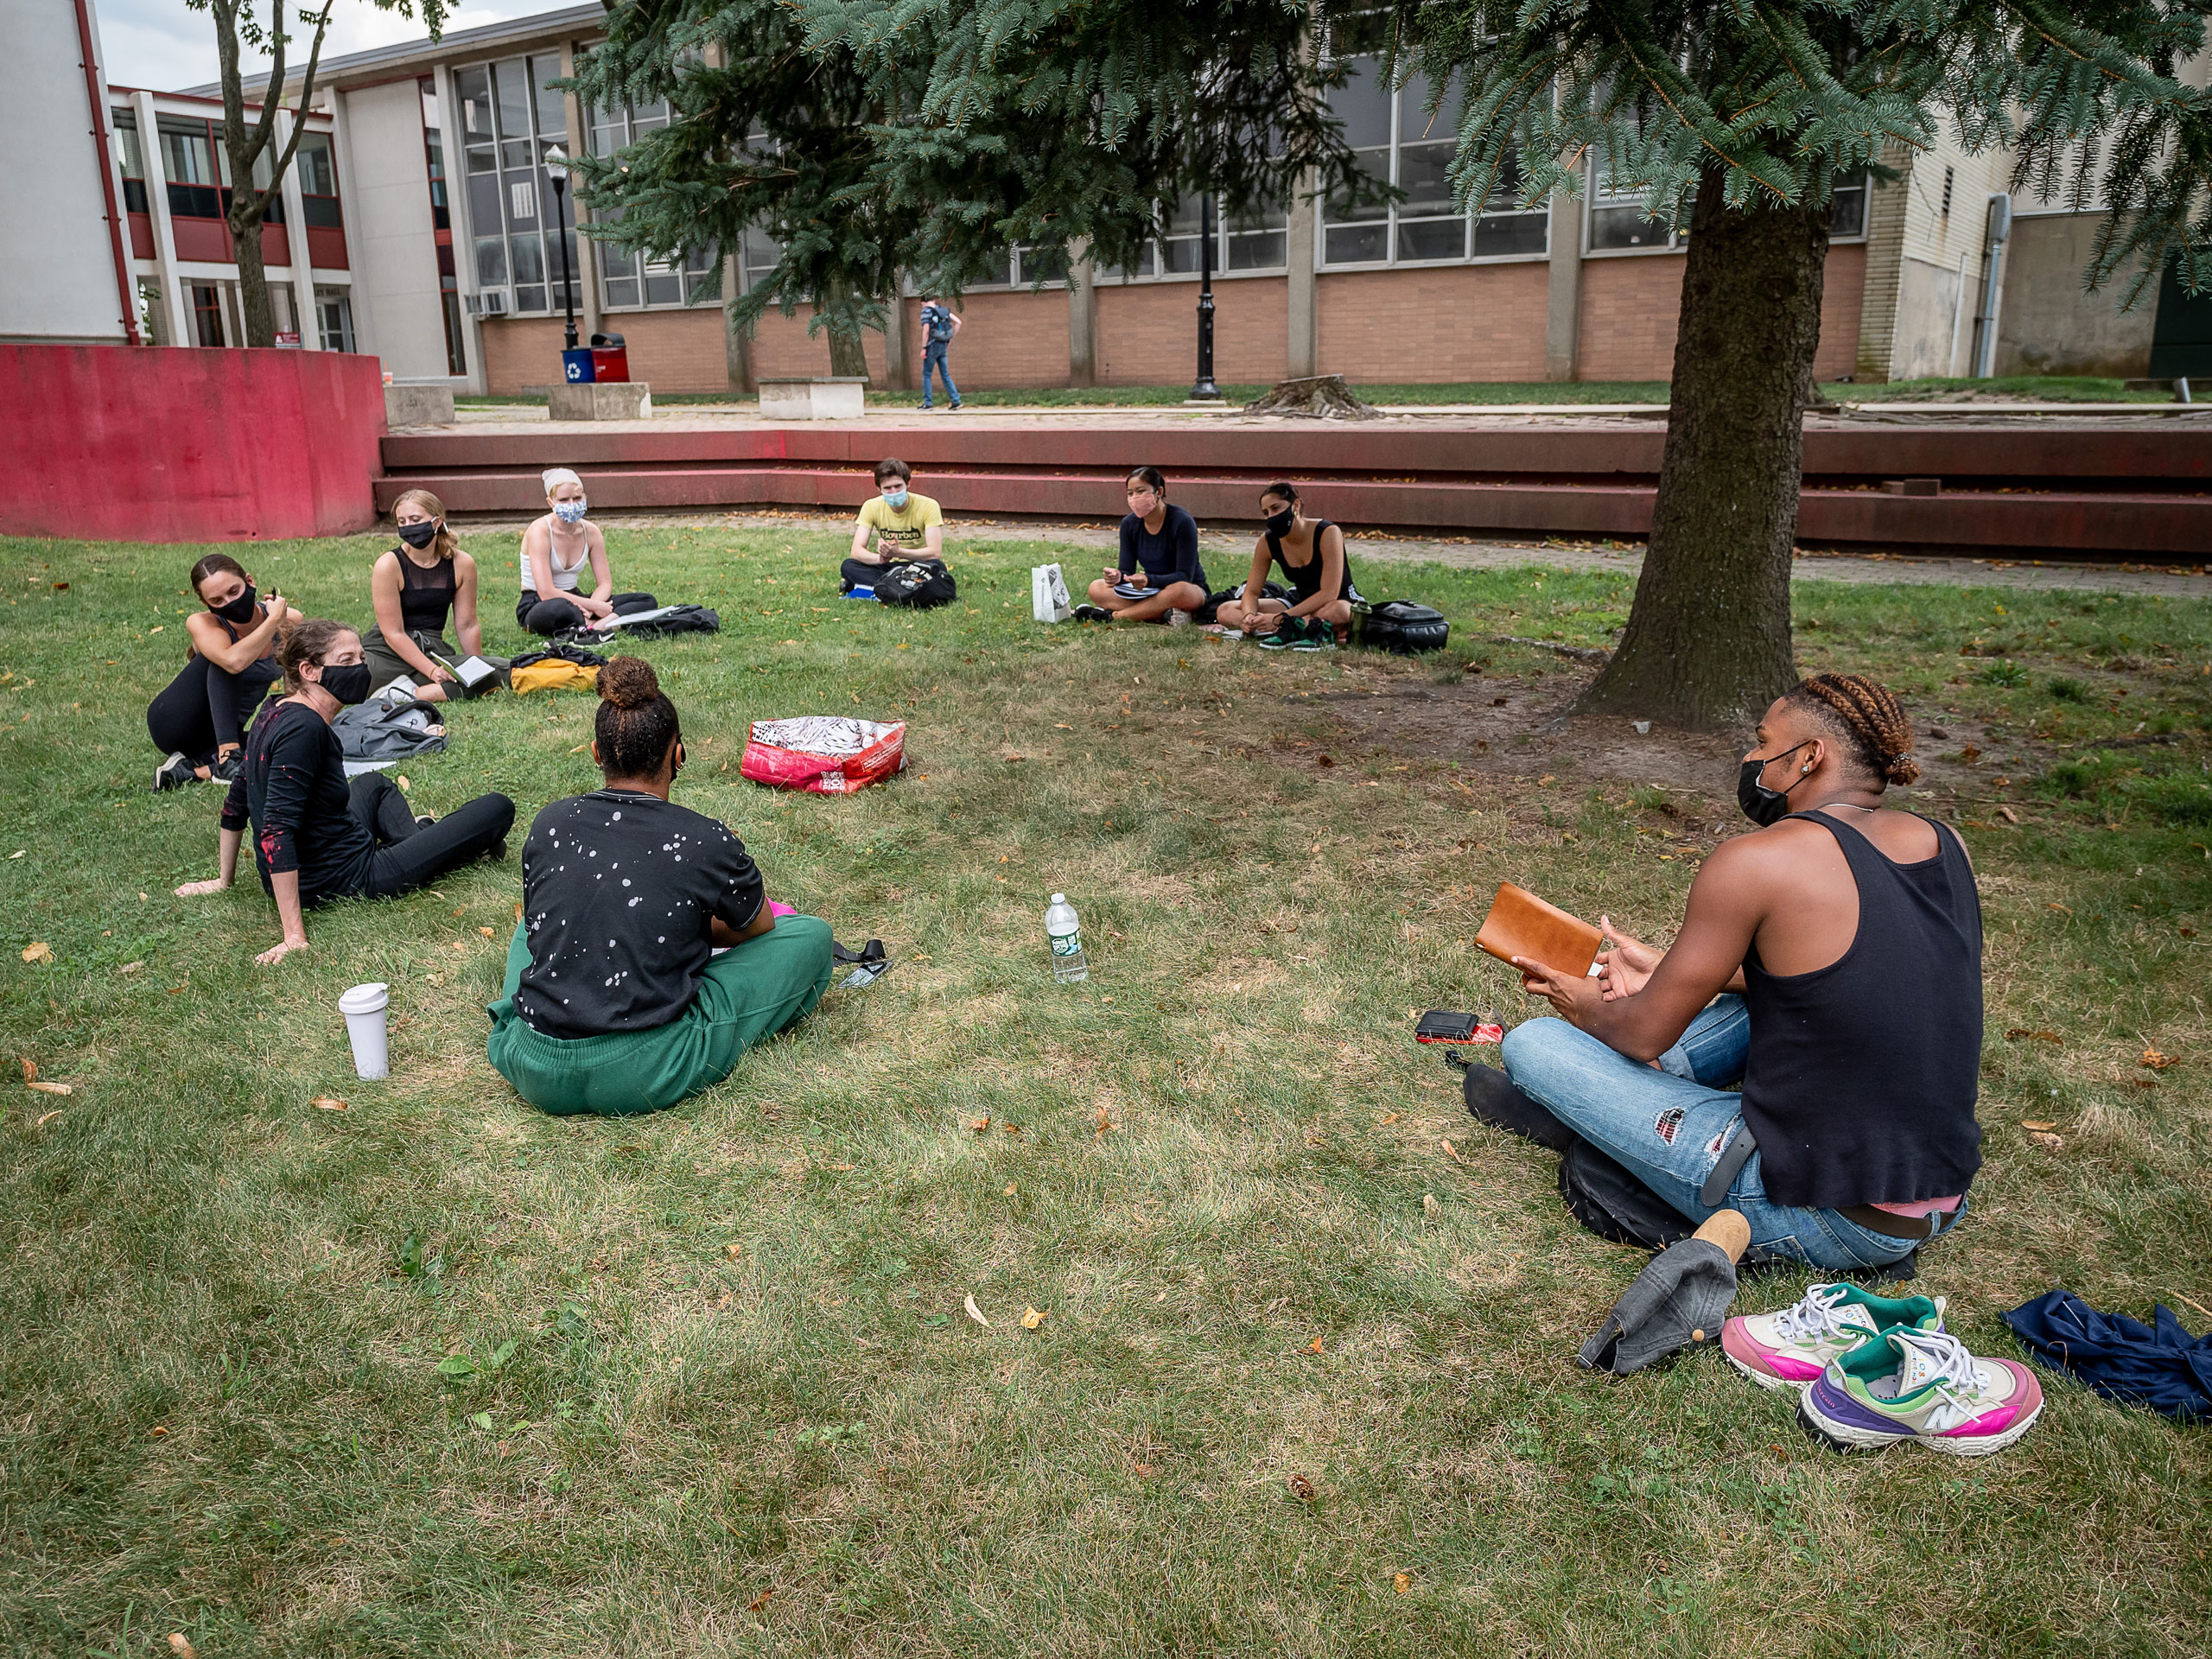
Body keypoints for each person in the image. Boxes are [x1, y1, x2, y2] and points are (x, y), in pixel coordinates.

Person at [1468, 674, 1981, 1273]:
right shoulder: (1945, 842)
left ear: (1810, 756)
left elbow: (1640, 1033)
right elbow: (1849, 976)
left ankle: (1617, 1113)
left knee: (1537, 1045)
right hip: (1937, 1194)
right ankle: (1630, 1096)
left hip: (1827, 1213)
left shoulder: (1757, 862)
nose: (1751, 757)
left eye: (1764, 743)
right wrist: (1672, 970)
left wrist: (1577, 995)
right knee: (1746, 1002)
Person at [486, 657, 834, 1116]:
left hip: (531, 1063)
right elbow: (759, 926)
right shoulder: (705, 839)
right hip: (645, 1068)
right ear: (678, 755)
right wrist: (686, 929)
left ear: (596, 753)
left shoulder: (550, 821)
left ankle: (523, 1012)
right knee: (811, 937)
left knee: (531, 923)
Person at [175, 619, 516, 964]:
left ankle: (420, 843)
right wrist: (293, 935)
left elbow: (236, 800)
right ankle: (425, 845)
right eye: (347, 661)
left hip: (325, 851)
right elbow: (277, 831)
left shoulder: (274, 709)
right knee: (497, 807)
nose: (361, 669)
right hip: (345, 876)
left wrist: (224, 880)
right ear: (309, 670)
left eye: (362, 659)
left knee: (374, 785)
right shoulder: (304, 729)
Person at [147, 553, 290, 791]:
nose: (229, 602)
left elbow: (295, 681)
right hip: (175, 723)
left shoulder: (288, 622)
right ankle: (227, 757)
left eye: (234, 592)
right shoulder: (202, 622)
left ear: (250, 581)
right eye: (218, 600)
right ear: (207, 605)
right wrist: (273, 619)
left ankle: (189, 771)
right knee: (225, 660)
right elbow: (233, 662)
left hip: (223, 730)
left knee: (283, 746)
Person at [363, 489, 505, 702]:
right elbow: (393, 633)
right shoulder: (389, 565)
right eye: (402, 521)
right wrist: (432, 671)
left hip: (432, 648)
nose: (409, 526)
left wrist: (477, 666)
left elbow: (467, 625)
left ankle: (412, 693)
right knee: (358, 680)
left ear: (437, 521)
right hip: (387, 652)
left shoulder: (462, 563)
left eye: (415, 519)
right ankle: (414, 688)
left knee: (498, 671)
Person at [1213, 481, 1363, 643]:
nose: (1271, 516)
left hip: (1338, 601)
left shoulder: (1327, 532)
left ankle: (1286, 627)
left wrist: (1280, 618)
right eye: (1266, 512)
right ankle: (1302, 628)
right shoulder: (1268, 541)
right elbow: (1251, 592)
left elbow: (1329, 593)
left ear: (1295, 505)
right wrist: (1248, 616)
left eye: (1276, 508)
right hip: (1299, 601)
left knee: (1336, 612)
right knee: (1226, 610)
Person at [518, 467, 659, 636]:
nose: (572, 504)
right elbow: (546, 592)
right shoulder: (539, 531)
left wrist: (593, 607)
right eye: (564, 500)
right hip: (540, 603)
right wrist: (593, 606)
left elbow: (605, 583)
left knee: (646, 600)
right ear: (551, 502)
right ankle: (606, 622)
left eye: (577, 498)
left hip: (578, 599)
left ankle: (596, 626)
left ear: (584, 497)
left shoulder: (591, 531)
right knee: (558, 609)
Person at [1074, 467, 1210, 624]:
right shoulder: (1129, 524)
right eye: (1130, 493)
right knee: (1096, 588)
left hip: (1186, 589)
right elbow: (1127, 571)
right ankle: (1160, 612)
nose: (1135, 498)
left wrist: (1149, 580)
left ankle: (1114, 616)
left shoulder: (1182, 521)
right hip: (1149, 592)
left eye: (1140, 491)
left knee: (1180, 591)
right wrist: (1117, 577)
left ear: (1158, 492)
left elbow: (1185, 575)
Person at [843, 459, 945, 588]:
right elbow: (857, 551)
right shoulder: (871, 506)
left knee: (938, 567)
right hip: (887, 566)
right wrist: (880, 559)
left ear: (908, 484)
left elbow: (934, 552)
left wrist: (899, 552)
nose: (894, 492)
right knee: (848, 566)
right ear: (879, 488)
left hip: (917, 565)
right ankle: (902, 588)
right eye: (887, 488)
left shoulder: (929, 505)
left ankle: (880, 586)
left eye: (898, 486)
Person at [917, 295, 963, 411]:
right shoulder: (944, 310)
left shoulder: (926, 311)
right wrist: (949, 337)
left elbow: (926, 331)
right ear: (934, 300)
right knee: (945, 374)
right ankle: (956, 401)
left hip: (931, 345)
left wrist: (923, 347)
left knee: (927, 374)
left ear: (923, 302)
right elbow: (958, 322)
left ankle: (928, 403)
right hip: (942, 345)